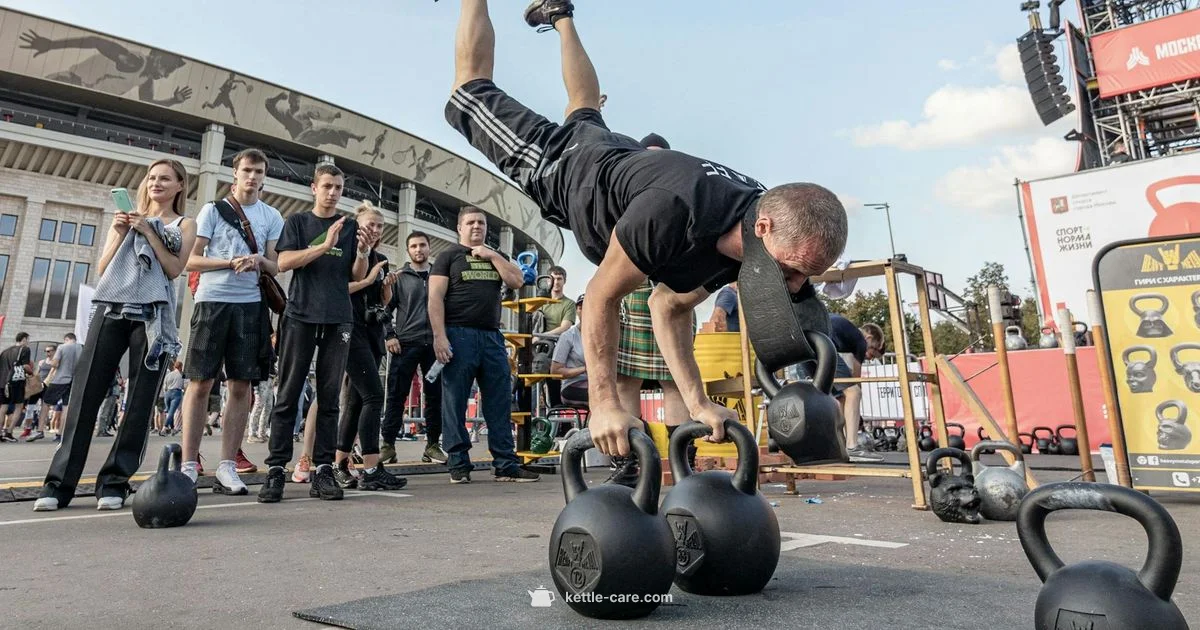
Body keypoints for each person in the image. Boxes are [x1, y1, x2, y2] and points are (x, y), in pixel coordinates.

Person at [445, 0, 848, 457]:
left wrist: (699, 404)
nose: (794, 285)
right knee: (469, 90)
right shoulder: (672, 214)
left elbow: (669, 307)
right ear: (765, 226)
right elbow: (599, 297)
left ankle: (560, 15)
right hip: (562, 168)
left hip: (616, 156)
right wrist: (604, 404)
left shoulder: (745, 240)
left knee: (584, 107)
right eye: (792, 270)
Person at [34, 158, 196, 511]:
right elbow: (103, 266)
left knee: (139, 401)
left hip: (153, 315)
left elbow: (174, 268)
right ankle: (58, 485)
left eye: (165, 178)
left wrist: (149, 232)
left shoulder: (184, 224)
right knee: (85, 396)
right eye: (152, 178)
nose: (156, 183)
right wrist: (123, 232)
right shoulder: (123, 219)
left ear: (180, 186)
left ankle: (114, 482)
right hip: (112, 307)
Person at [257, 164, 369, 503]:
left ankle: (323, 470)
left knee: (331, 396)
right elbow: (285, 262)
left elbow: (356, 273)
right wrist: (324, 245)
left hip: (338, 318)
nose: (333, 192)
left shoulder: (350, 227)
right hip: (301, 315)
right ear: (314, 188)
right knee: (288, 393)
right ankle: (276, 469)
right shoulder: (298, 222)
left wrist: (362, 251)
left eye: (338, 187)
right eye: (327, 186)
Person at [179, 148, 284, 495]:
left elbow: (276, 265)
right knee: (200, 382)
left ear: (264, 177)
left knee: (242, 385)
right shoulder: (212, 210)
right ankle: (189, 464)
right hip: (212, 302)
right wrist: (228, 263)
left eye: (258, 172)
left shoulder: (272, 216)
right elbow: (191, 259)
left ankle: (227, 465)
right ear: (234, 174)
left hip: (250, 305)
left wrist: (256, 260)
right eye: (247, 171)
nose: (252, 177)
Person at [429, 206, 540, 484]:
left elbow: (517, 279)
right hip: (458, 334)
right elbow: (434, 298)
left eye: (481, 223)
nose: (476, 227)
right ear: (459, 227)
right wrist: (439, 336)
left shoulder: (493, 256)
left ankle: (505, 464)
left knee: (499, 401)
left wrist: (492, 254)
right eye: (470, 223)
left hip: (491, 336)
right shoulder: (448, 257)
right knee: (454, 401)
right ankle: (458, 463)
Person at [332, 201, 409, 491]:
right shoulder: (344, 250)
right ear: (357, 224)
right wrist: (367, 279)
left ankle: (340, 464)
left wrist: (386, 285)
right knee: (375, 397)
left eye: (379, 226)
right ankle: (372, 467)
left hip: (373, 331)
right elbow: (341, 287)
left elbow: (383, 301)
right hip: (349, 328)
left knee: (356, 400)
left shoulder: (382, 258)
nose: (374, 230)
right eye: (369, 224)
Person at [381, 231, 446, 465]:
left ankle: (432, 445)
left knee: (435, 397)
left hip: (435, 347)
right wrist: (390, 335)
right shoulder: (400, 278)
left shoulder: (440, 277)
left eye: (422, 245)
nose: (418, 249)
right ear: (408, 251)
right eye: (414, 246)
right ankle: (388, 445)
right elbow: (385, 310)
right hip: (405, 344)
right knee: (396, 396)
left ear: (430, 248)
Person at [534, 265, 576, 407]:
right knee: (531, 386)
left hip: (557, 349)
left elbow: (565, 327)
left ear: (564, 281)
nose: (556, 282)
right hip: (537, 349)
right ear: (547, 281)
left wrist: (540, 335)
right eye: (553, 278)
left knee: (555, 389)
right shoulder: (540, 303)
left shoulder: (569, 304)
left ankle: (560, 424)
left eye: (559, 278)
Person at [550, 294, 587, 407]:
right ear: (576, 311)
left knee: (617, 393)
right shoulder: (568, 336)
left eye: (587, 306)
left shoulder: (602, 335)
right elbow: (555, 372)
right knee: (602, 397)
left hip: (596, 384)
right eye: (581, 308)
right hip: (572, 386)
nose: (584, 310)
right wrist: (584, 369)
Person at [0, 332, 35, 442]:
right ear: (24, 339)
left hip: (2, 382)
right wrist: (32, 373)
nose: (28, 342)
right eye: (28, 339)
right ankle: (9, 432)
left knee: (3, 407)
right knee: (19, 406)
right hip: (16, 382)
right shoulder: (25, 349)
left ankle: (0, 432)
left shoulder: (5, 351)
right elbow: (25, 366)